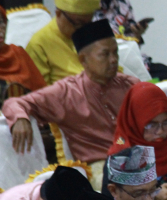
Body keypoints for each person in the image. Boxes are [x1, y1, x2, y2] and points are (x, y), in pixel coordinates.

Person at [4, 20, 138, 185]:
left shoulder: (130, 85)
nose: (113, 60)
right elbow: (15, 103)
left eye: (115, 53)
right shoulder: (66, 92)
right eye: (105, 54)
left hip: (136, 156)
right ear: (83, 60)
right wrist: (20, 118)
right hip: (100, 167)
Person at [93, 0, 167, 108]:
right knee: (149, 99)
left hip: (142, 66)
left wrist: (137, 34)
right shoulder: (84, 8)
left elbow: (132, 46)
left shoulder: (121, 3)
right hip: (114, 73)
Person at [106, 81, 167, 200]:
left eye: (166, 123)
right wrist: (153, 196)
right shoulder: (121, 155)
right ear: (135, 122)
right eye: (151, 125)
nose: (160, 131)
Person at [25, 0, 97, 85]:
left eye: (88, 23)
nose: (83, 30)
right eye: (78, 23)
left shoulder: (90, 32)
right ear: (58, 13)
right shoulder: (39, 44)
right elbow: (40, 94)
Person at [0, 6, 46, 104]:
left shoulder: (18, 52)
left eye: (1, 22)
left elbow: (42, 92)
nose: (0, 29)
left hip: (30, 115)